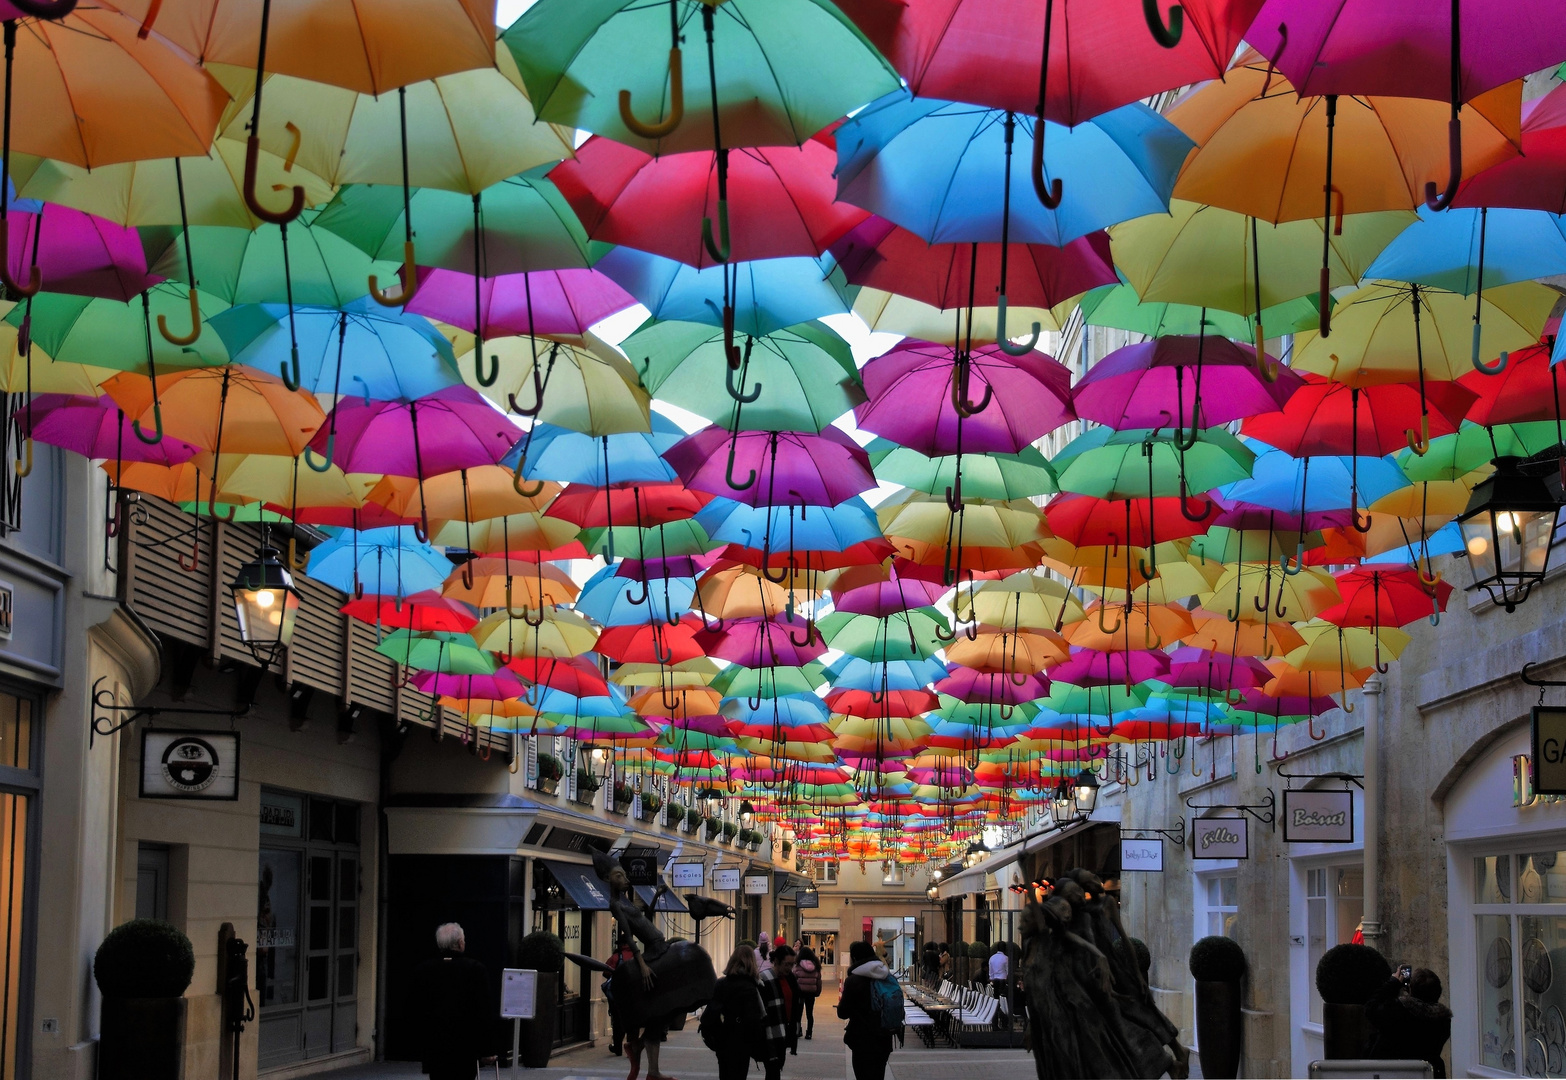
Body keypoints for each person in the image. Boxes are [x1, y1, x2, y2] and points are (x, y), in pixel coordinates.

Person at [412, 923, 496, 1080]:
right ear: (460, 943)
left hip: (435, 1045)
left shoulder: (424, 970)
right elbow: (483, 1011)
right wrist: (487, 1049)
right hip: (465, 1047)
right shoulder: (475, 970)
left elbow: (416, 1010)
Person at [1367, 966, 1453, 1078]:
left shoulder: (1398, 1012)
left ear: (1410, 989)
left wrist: (1393, 983)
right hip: (1427, 1074)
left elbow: (1370, 1008)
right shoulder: (1442, 1020)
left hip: (1394, 1074)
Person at [838, 939, 901, 1080]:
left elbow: (842, 1013)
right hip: (884, 1038)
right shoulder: (887, 976)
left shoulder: (853, 981)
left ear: (854, 958)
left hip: (861, 1039)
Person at [701, 945, 766, 1080]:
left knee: (724, 1075)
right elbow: (752, 1020)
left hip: (722, 1039)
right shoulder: (750, 986)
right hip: (741, 1042)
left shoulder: (721, 983)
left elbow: (712, 1011)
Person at [760, 944, 803, 1077]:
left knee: (777, 1067)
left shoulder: (790, 978)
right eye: (787, 964)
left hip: (786, 1029)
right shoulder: (765, 978)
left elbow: (796, 1003)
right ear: (777, 961)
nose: (790, 968)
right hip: (770, 1032)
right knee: (773, 1069)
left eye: (792, 964)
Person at [604, 938, 638, 1056]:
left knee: (618, 1023)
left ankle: (617, 1048)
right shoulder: (637, 957)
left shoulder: (616, 957)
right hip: (634, 995)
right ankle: (632, 1049)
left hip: (618, 996)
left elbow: (605, 972)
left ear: (622, 945)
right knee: (633, 1024)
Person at [794, 946, 822, 1040]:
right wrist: (817, 992)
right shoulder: (816, 966)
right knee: (809, 1014)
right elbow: (818, 981)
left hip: (800, 992)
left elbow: (794, 979)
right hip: (811, 993)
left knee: (798, 1013)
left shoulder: (798, 966)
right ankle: (809, 1033)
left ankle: (798, 1031)